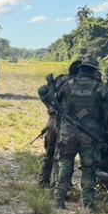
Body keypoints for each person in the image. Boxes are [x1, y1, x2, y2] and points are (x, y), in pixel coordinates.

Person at [52, 56, 108, 211]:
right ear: (94, 71)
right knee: (89, 168)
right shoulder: (100, 88)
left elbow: (56, 103)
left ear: (81, 69)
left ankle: (58, 200)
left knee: (65, 165)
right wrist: (105, 130)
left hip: (68, 132)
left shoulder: (67, 85)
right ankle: (88, 204)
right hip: (90, 135)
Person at [37, 60, 79, 188]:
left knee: (49, 153)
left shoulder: (61, 80)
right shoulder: (76, 84)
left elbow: (42, 90)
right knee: (62, 157)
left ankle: (43, 182)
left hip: (53, 121)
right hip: (66, 124)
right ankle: (59, 185)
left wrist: (50, 107)